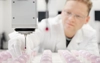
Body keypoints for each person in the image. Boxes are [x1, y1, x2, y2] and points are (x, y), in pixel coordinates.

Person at [8, 0, 99, 58]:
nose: (71, 19)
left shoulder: (90, 34)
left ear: (87, 20)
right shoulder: (47, 25)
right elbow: (32, 36)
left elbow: (93, 58)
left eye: (78, 16)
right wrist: (20, 41)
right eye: (68, 12)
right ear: (62, 12)